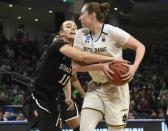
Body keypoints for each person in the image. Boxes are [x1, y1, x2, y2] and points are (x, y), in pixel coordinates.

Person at [23, 20, 117, 131]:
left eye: (75, 27)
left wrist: (101, 66)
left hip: (52, 98)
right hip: (37, 94)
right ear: (61, 33)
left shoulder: (71, 57)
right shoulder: (58, 45)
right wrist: (112, 59)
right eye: (68, 27)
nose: (73, 28)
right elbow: (83, 56)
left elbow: (70, 74)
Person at [73, 2, 145, 131]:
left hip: (116, 90)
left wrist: (133, 68)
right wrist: (101, 66)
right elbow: (75, 67)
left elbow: (140, 46)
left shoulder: (112, 31)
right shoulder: (80, 34)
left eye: (82, 14)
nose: (79, 18)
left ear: (92, 15)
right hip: (95, 88)